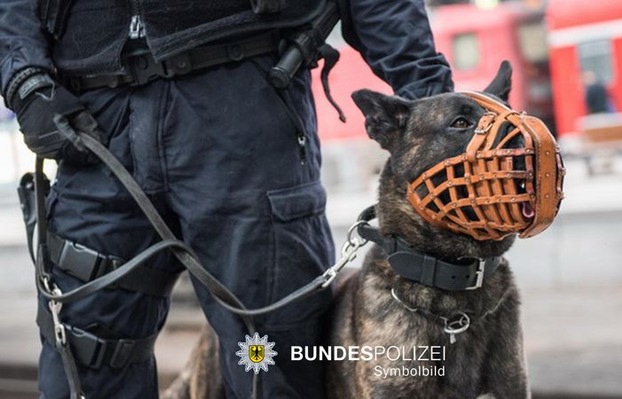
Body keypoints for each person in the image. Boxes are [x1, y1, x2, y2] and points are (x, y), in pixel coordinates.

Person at [0, 0, 453, 398]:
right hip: (93, 127)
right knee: (82, 363)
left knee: (271, 362)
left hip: (243, 111)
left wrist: (431, 98)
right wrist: (25, 80)